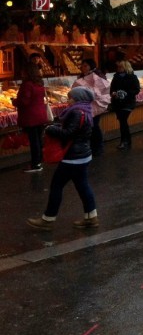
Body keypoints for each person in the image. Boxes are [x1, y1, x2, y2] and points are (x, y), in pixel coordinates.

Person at [27, 87, 97, 231]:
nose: (68, 99)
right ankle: (91, 217)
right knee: (83, 186)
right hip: (83, 155)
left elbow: (68, 133)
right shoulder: (86, 110)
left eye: (71, 97)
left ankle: (48, 219)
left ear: (77, 99)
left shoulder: (77, 112)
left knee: (56, 186)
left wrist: (50, 129)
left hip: (73, 157)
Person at [12, 62, 49, 173]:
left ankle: (35, 164)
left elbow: (25, 101)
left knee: (34, 141)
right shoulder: (39, 83)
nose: (21, 72)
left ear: (27, 72)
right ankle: (39, 161)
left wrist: (14, 101)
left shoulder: (27, 84)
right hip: (40, 114)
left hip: (31, 116)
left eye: (23, 70)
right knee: (38, 139)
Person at [71, 58, 111, 156]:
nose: (83, 68)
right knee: (89, 126)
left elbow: (100, 90)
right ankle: (92, 147)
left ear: (91, 66)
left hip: (96, 106)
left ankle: (98, 148)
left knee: (95, 126)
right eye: (82, 65)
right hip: (86, 106)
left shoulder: (98, 76)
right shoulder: (82, 77)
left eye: (85, 66)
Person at [109, 59, 140, 150]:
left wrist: (126, 93)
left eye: (120, 67)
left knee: (123, 121)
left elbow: (136, 90)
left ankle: (124, 141)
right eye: (118, 67)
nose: (118, 68)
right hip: (117, 103)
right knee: (123, 122)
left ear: (126, 67)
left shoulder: (132, 77)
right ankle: (128, 140)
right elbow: (112, 89)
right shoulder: (116, 77)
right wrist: (114, 93)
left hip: (128, 103)